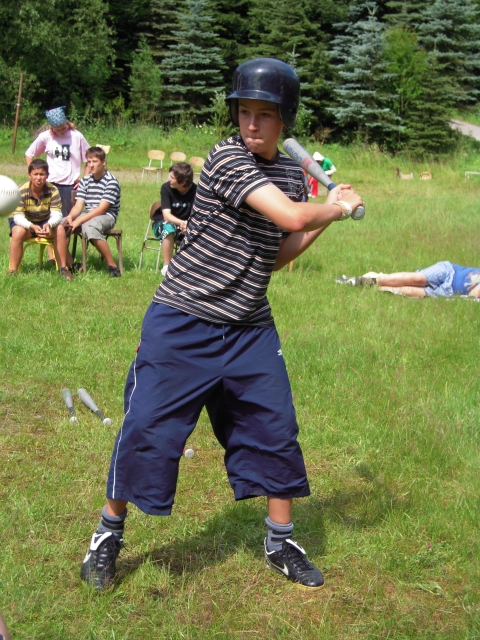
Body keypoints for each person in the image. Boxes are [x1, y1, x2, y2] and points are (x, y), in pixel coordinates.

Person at [79, 57, 363, 592]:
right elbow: (294, 216)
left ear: (285, 119)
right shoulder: (228, 158)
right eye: (244, 112)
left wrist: (325, 213)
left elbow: (279, 251)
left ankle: (281, 541)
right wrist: (337, 208)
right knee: (147, 428)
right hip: (185, 318)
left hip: (249, 326)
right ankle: (107, 535)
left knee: (274, 429)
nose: (251, 123)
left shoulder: (287, 174)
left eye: (265, 114)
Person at [57, 147, 121, 277]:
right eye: (89, 162)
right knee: (61, 226)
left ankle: (113, 266)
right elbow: (79, 205)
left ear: (103, 162)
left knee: (89, 227)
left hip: (107, 215)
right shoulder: (85, 180)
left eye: (95, 161)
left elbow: (102, 209)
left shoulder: (111, 181)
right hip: (88, 213)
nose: (91, 165)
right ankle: (70, 265)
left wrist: (79, 221)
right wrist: (70, 217)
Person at [7, 159, 74, 279]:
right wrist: (31, 226)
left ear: (47, 175)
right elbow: (18, 216)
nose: (38, 178)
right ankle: (13, 271)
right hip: (25, 223)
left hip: (45, 222)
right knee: (17, 231)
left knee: (60, 229)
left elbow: (57, 214)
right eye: (35, 174)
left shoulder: (53, 190)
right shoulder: (20, 190)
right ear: (29, 175)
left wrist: (49, 224)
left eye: (42, 174)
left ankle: (63, 269)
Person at [25, 106, 90, 218]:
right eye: (57, 130)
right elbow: (29, 154)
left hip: (69, 186)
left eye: (63, 128)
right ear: (52, 127)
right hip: (50, 183)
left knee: (67, 218)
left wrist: (84, 180)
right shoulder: (46, 137)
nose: (61, 132)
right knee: (47, 216)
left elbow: (89, 159)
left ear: (66, 123)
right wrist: (33, 174)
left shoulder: (76, 136)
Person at [151, 162, 197, 277]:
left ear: (183, 182)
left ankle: (194, 267)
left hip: (186, 225)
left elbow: (198, 214)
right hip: (164, 223)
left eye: (172, 177)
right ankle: (167, 267)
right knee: (168, 228)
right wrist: (183, 223)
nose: (169, 179)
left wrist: (188, 225)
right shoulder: (166, 188)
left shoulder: (197, 191)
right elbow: (166, 216)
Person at [337, 262, 480, 297]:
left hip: (448, 293)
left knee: (408, 291)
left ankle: (368, 289)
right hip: (450, 273)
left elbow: (471, 298)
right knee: (416, 279)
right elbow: (474, 295)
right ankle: (360, 281)